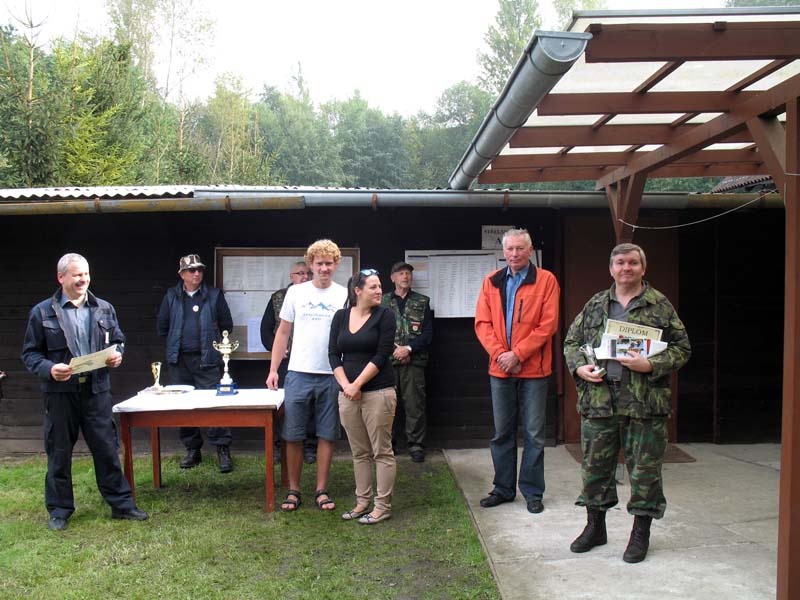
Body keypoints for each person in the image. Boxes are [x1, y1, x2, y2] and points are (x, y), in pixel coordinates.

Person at [564, 243, 691, 563]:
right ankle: (595, 527)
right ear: (611, 269)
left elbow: (682, 348)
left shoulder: (659, 304)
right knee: (595, 468)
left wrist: (651, 365)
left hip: (644, 402)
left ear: (642, 268)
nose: (626, 268)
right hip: (600, 399)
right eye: (620, 263)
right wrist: (579, 367)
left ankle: (640, 533)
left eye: (633, 263)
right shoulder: (595, 304)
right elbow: (572, 342)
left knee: (645, 471)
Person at [21, 253, 148, 530]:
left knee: (106, 449)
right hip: (60, 394)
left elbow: (118, 340)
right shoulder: (42, 312)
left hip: (96, 391)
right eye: (77, 275)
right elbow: (30, 354)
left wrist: (117, 354)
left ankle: (122, 505)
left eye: (86, 274)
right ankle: (59, 511)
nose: (84, 280)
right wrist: (49, 368)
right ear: (61, 277)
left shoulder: (104, 308)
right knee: (59, 453)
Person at [474, 228, 560, 515]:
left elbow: (547, 325)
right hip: (500, 369)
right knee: (502, 432)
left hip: (534, 369)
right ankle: (503, 489)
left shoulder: (546, 280)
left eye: (520, 248)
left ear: (530, 250)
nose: (514, 254)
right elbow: (482, 323)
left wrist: (518, 354)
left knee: (534, 434)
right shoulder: (491, 281)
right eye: (510, 249)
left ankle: (532, 492)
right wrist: (502, 355)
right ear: (503, 251)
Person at [266, 240, 348, 512]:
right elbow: (283, 332)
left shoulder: (344, 295)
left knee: (327, 434)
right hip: (298, 372)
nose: (324, 268)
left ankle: (321, 489)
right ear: (311, 264)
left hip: (332, 374)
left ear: (336, 264)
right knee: (292, 434)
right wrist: (273, 369)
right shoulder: (296, 293)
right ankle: (294, 489)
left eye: (329, 263)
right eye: (319, 263)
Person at [330, 269, 397, 524]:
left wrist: (357, 384)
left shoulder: (385, 316)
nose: (379, 291)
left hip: (379, 393)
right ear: (357, 291)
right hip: (348, 394)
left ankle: (382, 506)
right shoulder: (340, 316)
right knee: (359, 452)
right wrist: (346, 385)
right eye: (373, 287)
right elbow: (333, 353)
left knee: (382, 452)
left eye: (379, 286)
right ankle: (362, 502)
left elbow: (382, 354)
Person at [157, 254, 235, 473]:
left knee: (214, 405)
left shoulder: (214, 295)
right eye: (191, 270)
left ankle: (222, 449)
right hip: (180, 360)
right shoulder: (171, 296)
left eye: (199, 269)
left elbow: (227, 325)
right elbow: (162, 327)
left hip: (207, 359)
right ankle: (192, 449)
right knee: (183, 406)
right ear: (182, 274)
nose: (197, 273)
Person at [260, 261, 318, 464]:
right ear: (291, 276)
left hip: (310, 360)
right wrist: (276, 349)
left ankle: (309, 446)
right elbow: (266, 330)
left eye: (308, 273)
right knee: (283, 405)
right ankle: (279, 446)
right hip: (286, 362)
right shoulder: (278, 298)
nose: (305, 277)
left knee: (311, 405)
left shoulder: (318, 296)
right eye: (300, 273)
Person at [381, 261, 432, 463]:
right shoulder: (382, 301)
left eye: (408, 273)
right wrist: (396, 351)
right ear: (393, 278)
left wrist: (409, 349)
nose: (405, 277)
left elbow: (427, 333)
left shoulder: (422, 301)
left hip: (414, 361)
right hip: (387, 363)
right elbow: (376, 331)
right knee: (386, 405)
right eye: (401, 273)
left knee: (415, 404)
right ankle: (388, 444)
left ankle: (416, 445)